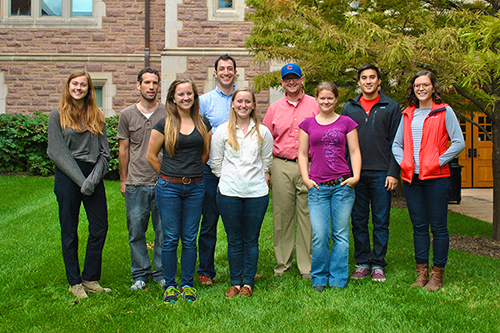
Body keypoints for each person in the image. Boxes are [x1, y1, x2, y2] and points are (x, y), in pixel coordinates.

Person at [392, 70, 465, 291]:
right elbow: (396, 145)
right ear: (413, 89)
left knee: (439, 227)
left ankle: (437, 275)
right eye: (417, 85)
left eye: (425, 84)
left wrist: (438, 161)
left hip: (437, 178)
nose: (421, 88)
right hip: (412, 180)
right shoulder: (408, 113)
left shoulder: (444, 111)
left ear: (433, 87)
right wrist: (404, 163)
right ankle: (421, 274)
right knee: (419, 227)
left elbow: (458, 142)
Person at [147, 78, 212, 303]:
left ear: (194, 97)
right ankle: (170, 284)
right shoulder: (164, 124)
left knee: (190, 237)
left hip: (195, 187)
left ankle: (187, 284)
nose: (185, 98)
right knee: (170, 238)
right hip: (169, 188)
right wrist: (168, 175)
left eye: (189, 94)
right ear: (173, 98)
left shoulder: (204, 124)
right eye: (181, 94)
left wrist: (191, 172)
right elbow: (151, 156)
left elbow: (205, 154)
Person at [48, 71, 111, 299]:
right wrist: (81, 181)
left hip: (92, 175)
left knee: (99, 228)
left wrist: (91, 181)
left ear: (89, 89)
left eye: (83, 85)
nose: (78, 88)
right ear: (68, 87)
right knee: (69, 230)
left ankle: (90, 277)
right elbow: (56, 152)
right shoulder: (57, 116)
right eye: (75, 84)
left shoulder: (97, 115)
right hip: (67, 176)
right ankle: (74, 282)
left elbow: (105, 154)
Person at [210, 88, 273, 298]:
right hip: (229, 192)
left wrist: (255, 178)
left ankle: (248, 283)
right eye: (239, 101)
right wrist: (229, 178)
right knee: (234, 239)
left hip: (256, 193)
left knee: (251, 239)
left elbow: (267, 161)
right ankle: (235, 282)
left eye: (248, 102)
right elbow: (216, 162)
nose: (243, 105)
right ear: (233, 104)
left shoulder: (262, 132)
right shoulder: (222, 131)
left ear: (253, 105)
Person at [298, 81, 361, 291]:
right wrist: (306, 179)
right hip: (317, 188)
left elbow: (354, 152)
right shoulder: (308, 124)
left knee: (341, 235)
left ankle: (338, 278)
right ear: (316, 99)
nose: (326, 101)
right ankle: (319, 278)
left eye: (330, 98)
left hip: (342, 186)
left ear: (336, 99)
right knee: (320, 235)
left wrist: (356, 176)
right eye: (322, 98)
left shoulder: (347, 123)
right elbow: (301, 153)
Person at [341, 64, 402, 282]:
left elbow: (398, 142)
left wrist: (393, 172)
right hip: (355, 174)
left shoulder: (392, 107)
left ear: (379, 81)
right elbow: (343, 144)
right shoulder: (349, 108)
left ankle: (378, 264)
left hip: (382, 173)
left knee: (380, 220)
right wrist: (344, 171)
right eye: (364, 78)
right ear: (359, 82)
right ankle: (362, 263)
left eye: (372, 77)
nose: (368, 81)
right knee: (358, 220)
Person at [263, 63, 319, 279]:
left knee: (308, 216)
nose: (291, 82)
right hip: (282, 165)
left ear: (302, 79)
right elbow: (266, 140)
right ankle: (282, 264)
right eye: (287, 79)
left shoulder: (315, 105)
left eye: (295, 78)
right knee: (282, 215)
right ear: (282, 82)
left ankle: (306, 266)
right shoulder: (275, 108)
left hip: (310, 166)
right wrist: (267, 170)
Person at [118, 67, 165, 290]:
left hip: (163, 183)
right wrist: (123, 179)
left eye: (155, 83)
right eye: (147, 82)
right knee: (136, 232)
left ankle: (161, 273)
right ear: (138, 86)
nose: (151, 87)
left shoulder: (167, 113)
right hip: (136, 183)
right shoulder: (127, 115)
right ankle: (140, 274)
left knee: (164, 231)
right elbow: (123, 149)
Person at [197, 54, 237, 286]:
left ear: (234, 72)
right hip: (211, 171)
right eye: (221, 69)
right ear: (215, 73)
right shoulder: (204, 102)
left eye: (229, 68)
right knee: (209, 222)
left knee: (237, 224)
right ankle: (205, 271)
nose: (225, 72)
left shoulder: (242, 99)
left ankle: (240, 268)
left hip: (237, 171)